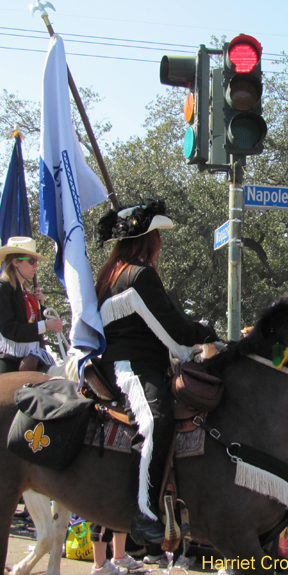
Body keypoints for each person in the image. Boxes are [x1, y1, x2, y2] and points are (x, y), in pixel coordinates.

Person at [94, 199, 218, 544]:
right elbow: (174, 332)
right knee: (157, 420)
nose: (160, 244)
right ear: (148, 240)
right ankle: (145, 512)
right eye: (157, 237)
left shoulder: (112, 274)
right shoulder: (139, 275)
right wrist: (213, 338)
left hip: (141, 362)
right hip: (131, 366)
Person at [0, 237, 63, 376]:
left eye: (36, 261)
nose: (35, 266)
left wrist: (41, 307)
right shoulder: (0, 287)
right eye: (31, 261)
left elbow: (31, 326)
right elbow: (7, 328)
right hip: (3, 356)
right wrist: (46, 325)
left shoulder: (26, 292)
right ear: (15, 263)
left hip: (29, 356)